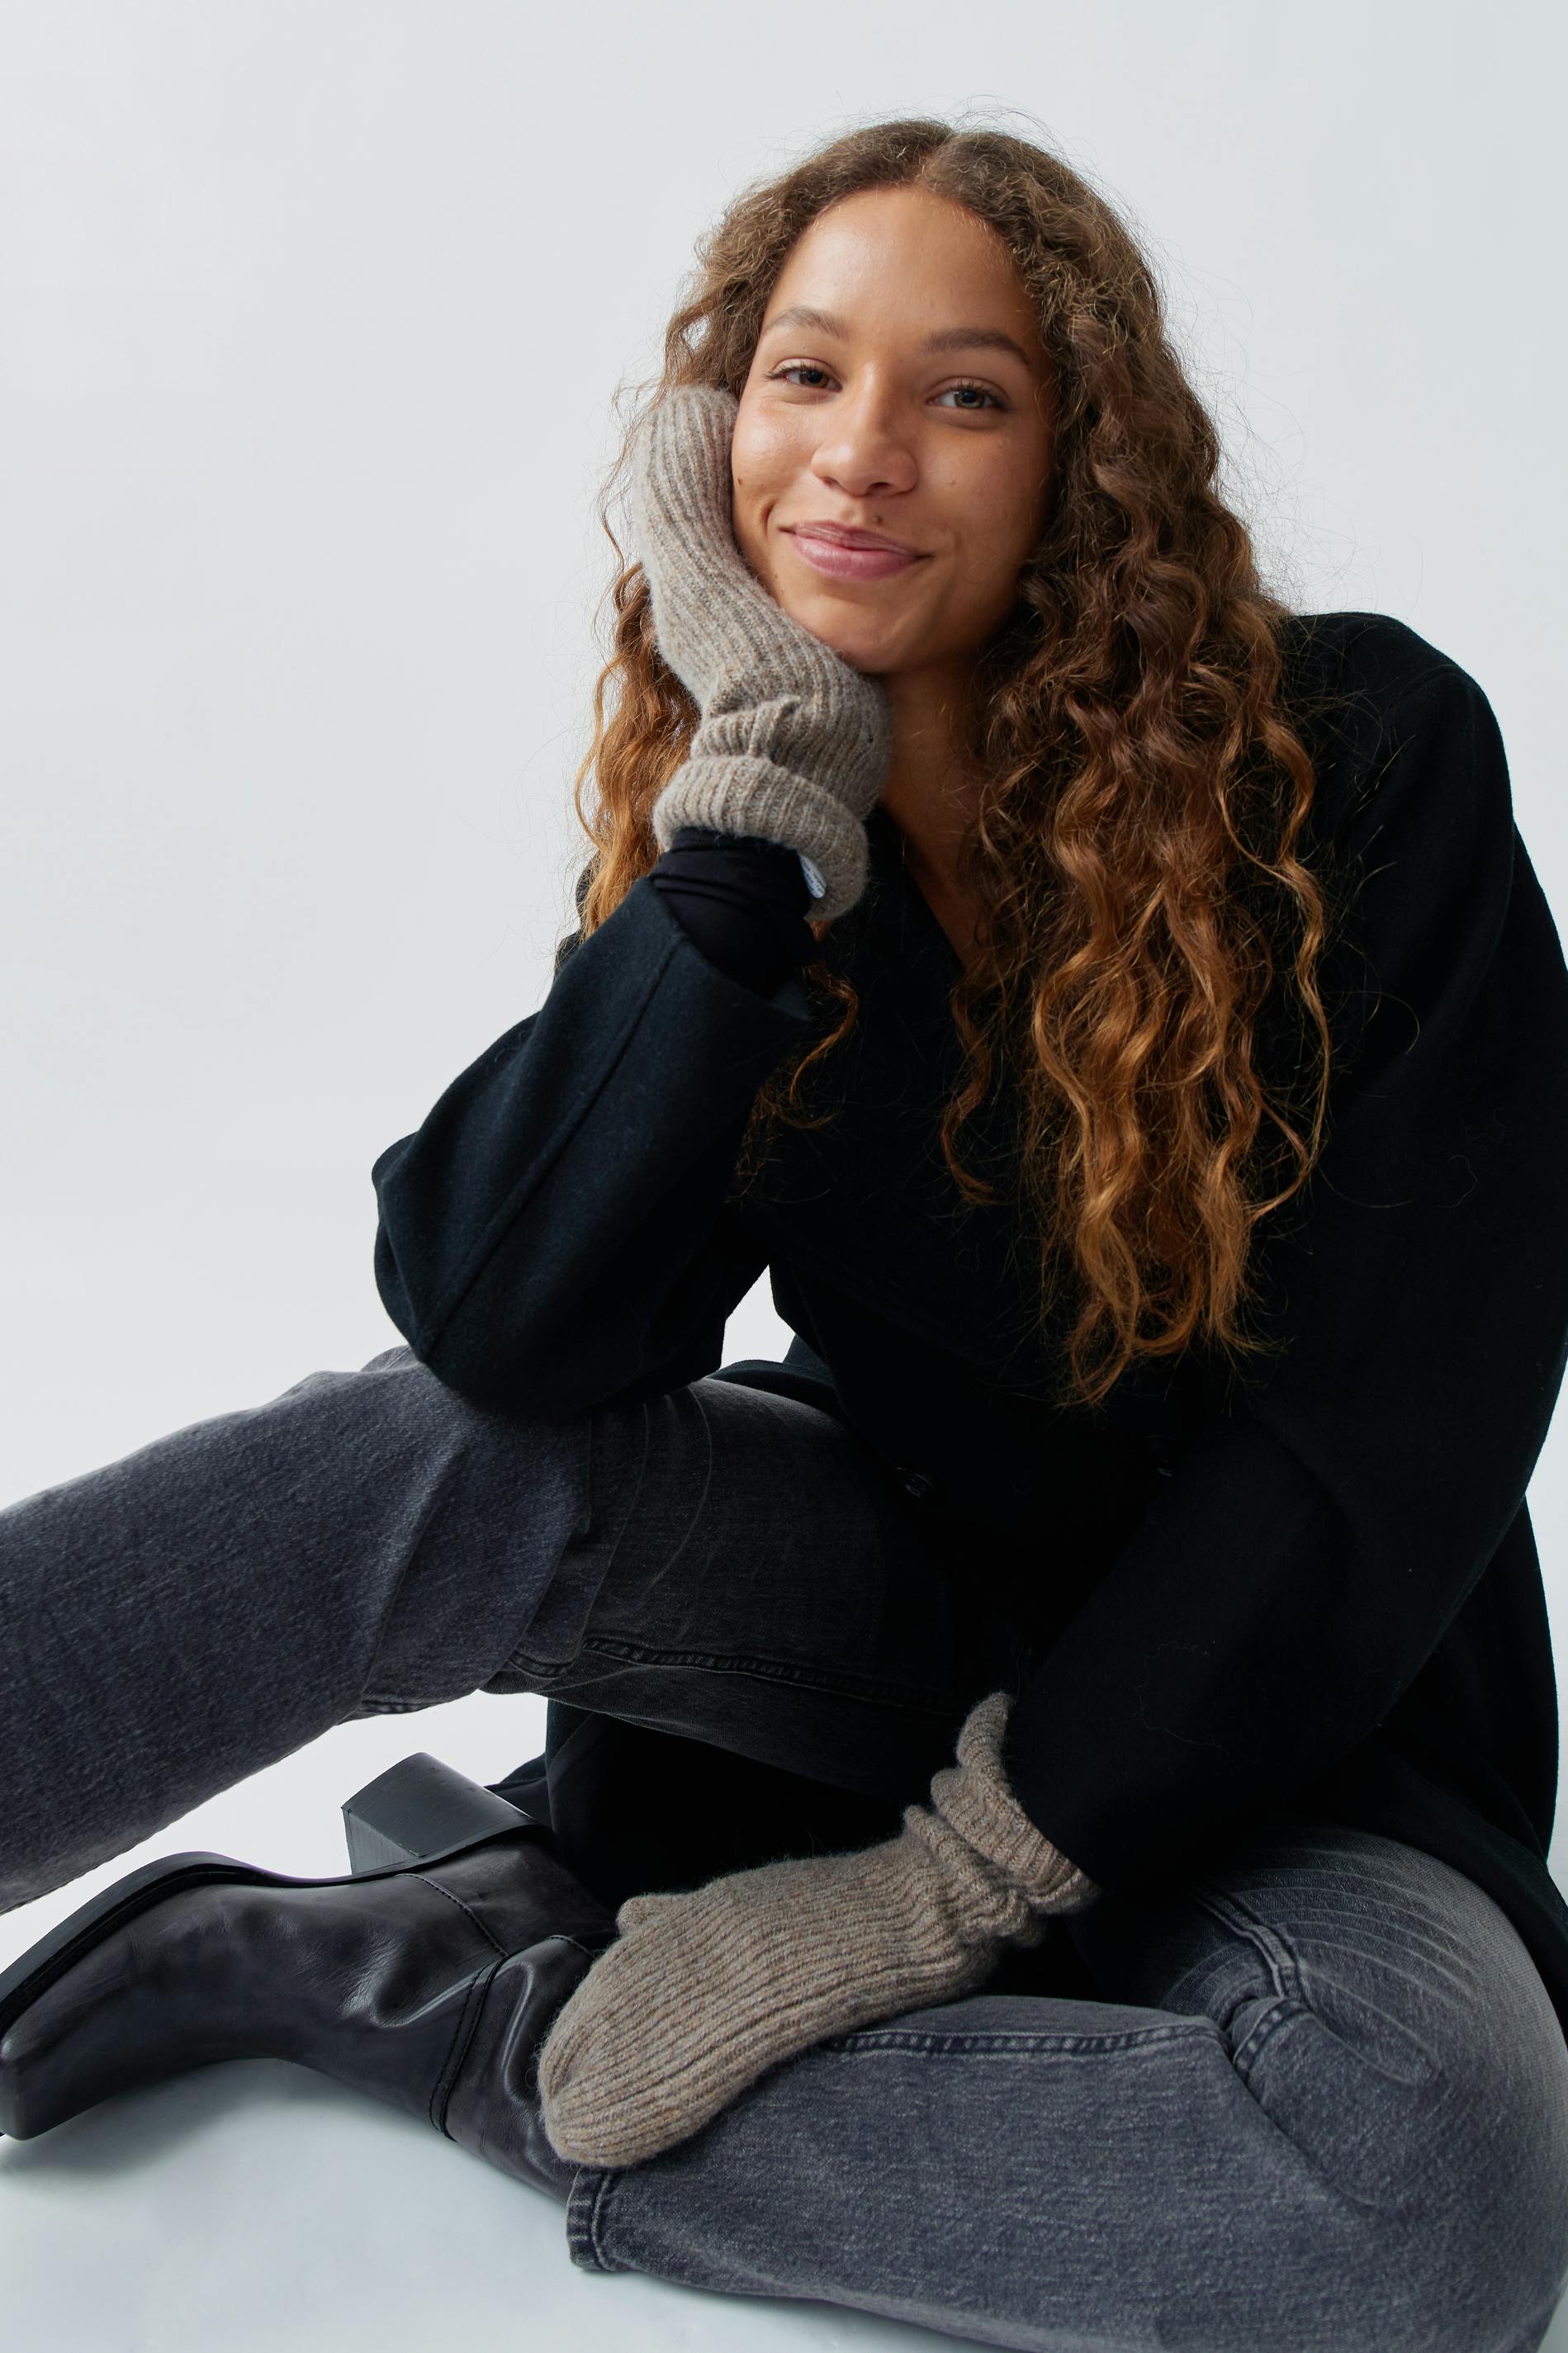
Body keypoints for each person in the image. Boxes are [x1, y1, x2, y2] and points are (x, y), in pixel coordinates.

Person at [2, 113, 1568, 2353]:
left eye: (963, 393)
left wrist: (945, 1893)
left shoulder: (1357, 766)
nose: (860, 451)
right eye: (802, 376)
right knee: (429, 1458)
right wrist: (749, 822)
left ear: (1080, 462)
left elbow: (1382, 1442)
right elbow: (504, 1324)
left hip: (1310, 1752)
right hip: (886, 1647)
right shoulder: (769, 841)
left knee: (1425, 2198)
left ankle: (454, 2001)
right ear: (708, 436)